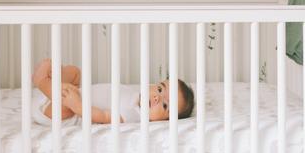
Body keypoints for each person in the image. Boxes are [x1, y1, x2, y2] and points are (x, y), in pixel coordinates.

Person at [31, 58, 194, 125]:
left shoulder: (133, 115)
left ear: (164, 121)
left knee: (66, 94)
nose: (157, 97)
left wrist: (78, 106)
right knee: (75, 72)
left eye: (165, 105)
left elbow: (104, 117)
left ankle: (42, 82)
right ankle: (55, 81)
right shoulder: (136, 94)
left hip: (67, 113)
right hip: (77, 93)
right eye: (159, 89)